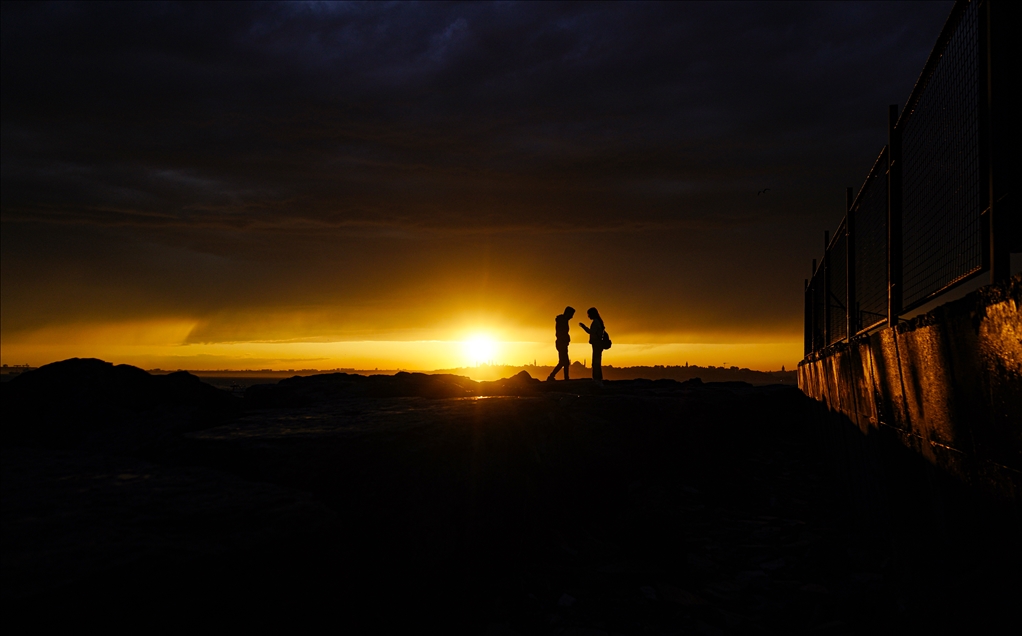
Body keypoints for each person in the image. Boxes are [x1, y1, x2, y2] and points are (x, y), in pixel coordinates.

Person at [547, 306, 575, 381]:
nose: (572, 317)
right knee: (564, 361)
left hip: (562, 343)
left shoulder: (563, 320)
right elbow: (561, 333)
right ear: (568, 313)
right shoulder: (562, 321)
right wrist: (566, 339)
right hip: (561, 343)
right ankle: (552, 376)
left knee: (564, 362)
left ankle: (564, 377)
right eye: (571, 314)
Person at [579, 307, 605, 385]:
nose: (588, 316)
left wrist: (583, 327)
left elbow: (592, 332)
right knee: (597, 361)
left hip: (597, 344)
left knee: (595, 362)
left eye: (589, 314)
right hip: (598, 344)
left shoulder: (596, 322)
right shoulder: (598, 321)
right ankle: (598, 379)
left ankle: (597, 379)